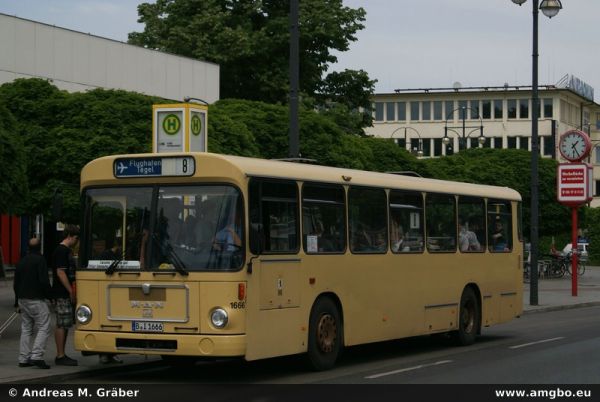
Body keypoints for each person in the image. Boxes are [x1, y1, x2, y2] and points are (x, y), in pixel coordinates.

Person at [13, 238, 52, 369]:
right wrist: (50, 296)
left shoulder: (21, 261)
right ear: (40, 247)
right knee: (44, 326)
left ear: (28, 248)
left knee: (26, 328)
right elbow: (44, 281)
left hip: (22, 299)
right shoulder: (40, 260)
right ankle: (36, 356)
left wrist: (16, 302)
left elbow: (15, 284)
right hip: (36, 299)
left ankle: (23, 358)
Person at [51, 224, 79, 366]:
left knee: (65, 322)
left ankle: (61, 354)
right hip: (62, 292)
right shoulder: (62, 251)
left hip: (62, 292)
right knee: (62, 323)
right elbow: (60, 272)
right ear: (69, 236)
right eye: (75, 238)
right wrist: (70, 290)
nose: (76, 241)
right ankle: (60, 355)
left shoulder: (64, 250)